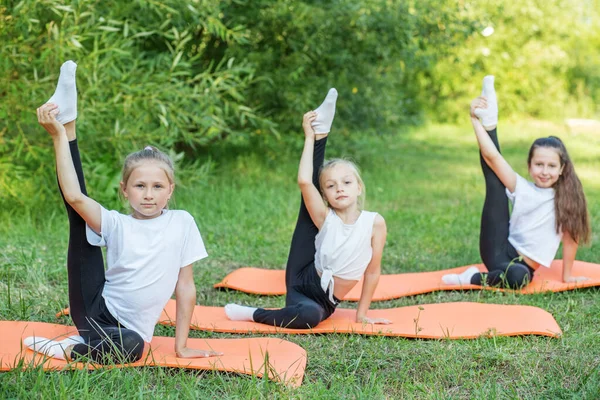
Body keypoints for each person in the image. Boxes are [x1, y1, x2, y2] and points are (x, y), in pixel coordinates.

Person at [24, 61, 222, 363]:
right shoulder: (117, 224)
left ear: (170, 190)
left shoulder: (182, 223)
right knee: (79, 215)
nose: (148, 194)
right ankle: (69, 124)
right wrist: (57, 137)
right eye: (140, 186)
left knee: (132, 344)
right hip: (95, 309)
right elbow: (74, 196)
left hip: (130, 332)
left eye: (157, 186)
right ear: (124, 190)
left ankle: (73, 346)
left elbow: (186, 287)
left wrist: (181, 345)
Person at [224, 89, 389, 328]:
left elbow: (372, 272)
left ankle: (322, 130)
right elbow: (304, 182)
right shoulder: (326, 217)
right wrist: (309, 138)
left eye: (347, 182)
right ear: (325, 195)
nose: (340, 189)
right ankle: (320, 133)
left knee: (310, 315)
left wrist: (361, 314)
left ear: (359, 187)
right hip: (302, 279)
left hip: (324, 301)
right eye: (331, 186)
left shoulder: (375, 223)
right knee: (308, 205)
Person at [442, 76, 591, 289]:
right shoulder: (523, 188)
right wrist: (474, 120)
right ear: (529, 166)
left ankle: (472, 278)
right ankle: (489, 121)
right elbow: (492, 157)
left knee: (519, 277)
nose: (545, 171)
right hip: (497, 249)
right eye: (539, 164)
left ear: (562, 169)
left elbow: (571, 238)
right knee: (495, 182)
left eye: (551, 166)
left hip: (523, 267)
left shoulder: (567, 199)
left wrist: (567, 275)